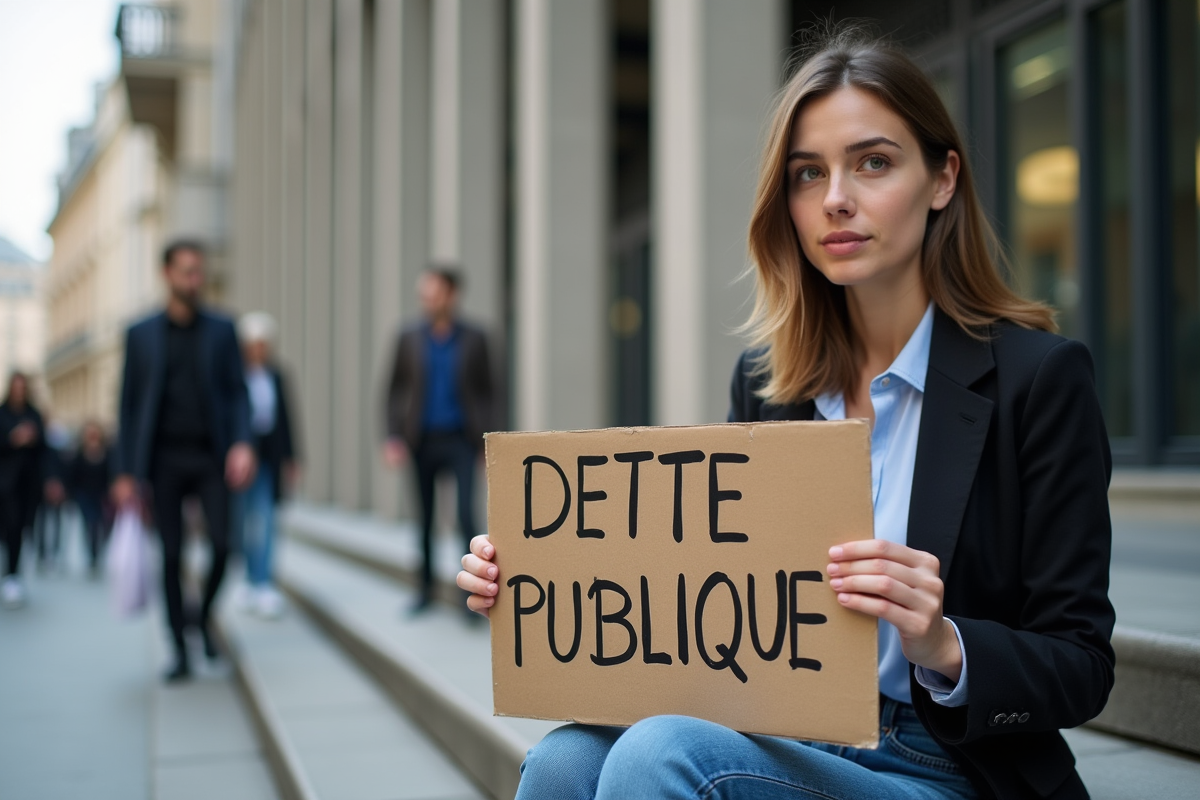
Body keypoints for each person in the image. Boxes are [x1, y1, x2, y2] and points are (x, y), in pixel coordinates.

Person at [458, 28, 1115, 800]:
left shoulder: (1040, 380)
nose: (836, 197)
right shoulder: (769, 386)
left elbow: (1082, 664)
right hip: (789, 734)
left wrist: (943, 642)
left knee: (659, 757)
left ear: (943, 179)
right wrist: (547, 578)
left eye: (873, 162)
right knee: (564, 761)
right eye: (809, 173)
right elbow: (713, 606)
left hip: (945, 763)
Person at [112, 239, 256, 681]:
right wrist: (123, 471)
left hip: (211, 456)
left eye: (199, 271)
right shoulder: (140, 334)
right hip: (163, 460)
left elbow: (237, 393)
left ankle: (201, 616)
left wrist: (243, 442)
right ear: (167, 274)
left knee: (225, 546)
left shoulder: (222, 328)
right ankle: (179, 648)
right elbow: (129, 406)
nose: (195, 279)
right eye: (186, 271)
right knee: (170, 555)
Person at [385, 266, 496, 613]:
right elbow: (393, 390)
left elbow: (491, 392)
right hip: (421, 440)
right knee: (425, 518)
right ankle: (425, 591)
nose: (427, 301)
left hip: (462, 440)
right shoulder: (408, 337)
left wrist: (490, 444)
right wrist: (392, 436)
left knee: (466, 515)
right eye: (424, 294)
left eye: (434, 293)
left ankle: (472, 597)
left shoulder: (476, 337)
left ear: (451, 295)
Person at [232, 311, 299, 618]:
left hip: (269, 461)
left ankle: (265, 582)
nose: (259, 349)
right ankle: (248, 578)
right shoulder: (233, 375)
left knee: (268, 522)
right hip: (240, 463)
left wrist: (292, 457)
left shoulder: (277, 375)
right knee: (243, 523)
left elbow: (286, 420)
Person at [0, 372, 51, 608]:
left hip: (28, 484)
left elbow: (45, 448)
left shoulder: (34, 414)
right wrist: (12, 439)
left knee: (19, 528)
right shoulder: (2, 414)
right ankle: (10, 573)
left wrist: (33, 437)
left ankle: (13, 575)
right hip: (5, 482)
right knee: (8, 528)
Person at [68, 420, 113, 576]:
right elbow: (72, 475)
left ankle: (97, 553)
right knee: (90, 525)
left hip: (102, 495)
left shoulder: (107, 452)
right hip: (84, 495)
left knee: (103, 526)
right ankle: (92, 557)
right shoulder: (79, 453)